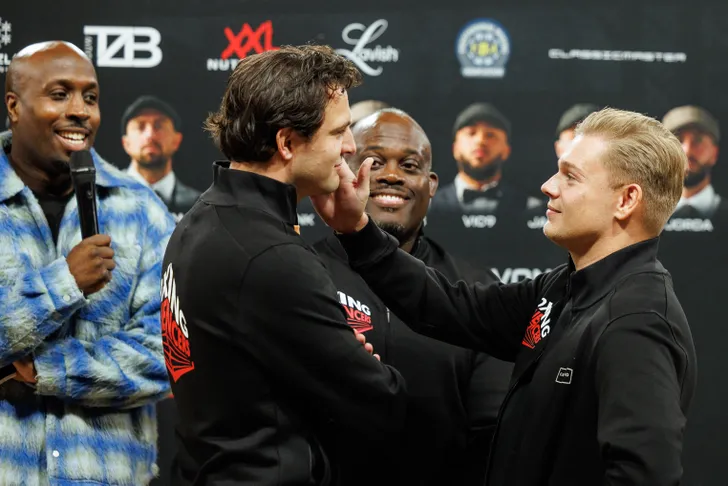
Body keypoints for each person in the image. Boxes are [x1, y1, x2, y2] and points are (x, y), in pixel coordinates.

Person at [313, 107, 697, 485]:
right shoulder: (561, 288)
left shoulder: (637, 320)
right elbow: (449, 305)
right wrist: (358, 231)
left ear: (626, 200)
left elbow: (646, 475)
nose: (548, 186)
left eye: (570, 176)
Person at [161, 44, 406, 486]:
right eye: (339, 132)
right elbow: (381, 401)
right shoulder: (271, 256)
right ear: (287, 143)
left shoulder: (200, 219)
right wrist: (358, 361)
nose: (351, 147)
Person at [0, 41, 175, 485]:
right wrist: (63, 283)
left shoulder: (142, 210)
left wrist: (45, 370)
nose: (80, 111)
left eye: (90, 97)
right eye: (60, 95)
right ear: (14, 107)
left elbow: (169, 355)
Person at [313, 108, 512, 485]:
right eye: (373, 162)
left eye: (409, 165)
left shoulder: (474, 287)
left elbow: (493, 433)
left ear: (431, 185)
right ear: (343, 170)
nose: (391, 175)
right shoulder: (301, 274)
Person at [430, 102, 541, 216]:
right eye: (471, 133)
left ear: (506, 150)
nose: (480, 141)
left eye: (490, 135)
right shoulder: (426, 208)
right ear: (455, 149)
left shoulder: (533, 208)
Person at [121, 95, 201, 221]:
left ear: (176, 140)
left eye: (158, 126)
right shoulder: (101, 198)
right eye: (140, 126)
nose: (150, 135)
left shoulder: (200, 207)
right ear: (126, 143)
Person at [662, 105, 727, 219]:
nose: (687, 150)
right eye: (678, 140)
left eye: (698, 140)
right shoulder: (642, 219)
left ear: (715, 153)